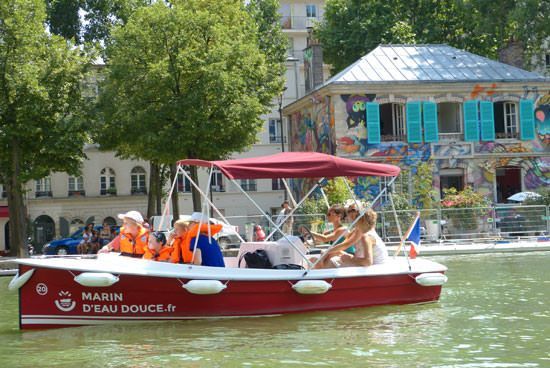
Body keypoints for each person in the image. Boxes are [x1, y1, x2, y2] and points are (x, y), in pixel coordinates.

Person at [314, 205, 387, 269]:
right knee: (332, 256)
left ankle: (319, 279)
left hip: (373, 269)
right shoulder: (359, 230)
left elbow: (368, 262)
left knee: (331, 262)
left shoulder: (366, 236)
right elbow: (345, 243)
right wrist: (328, 252)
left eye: (354, 213)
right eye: (348, 211)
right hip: (364, 265)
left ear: (361, 219)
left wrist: (350, 258)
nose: (350, 214)